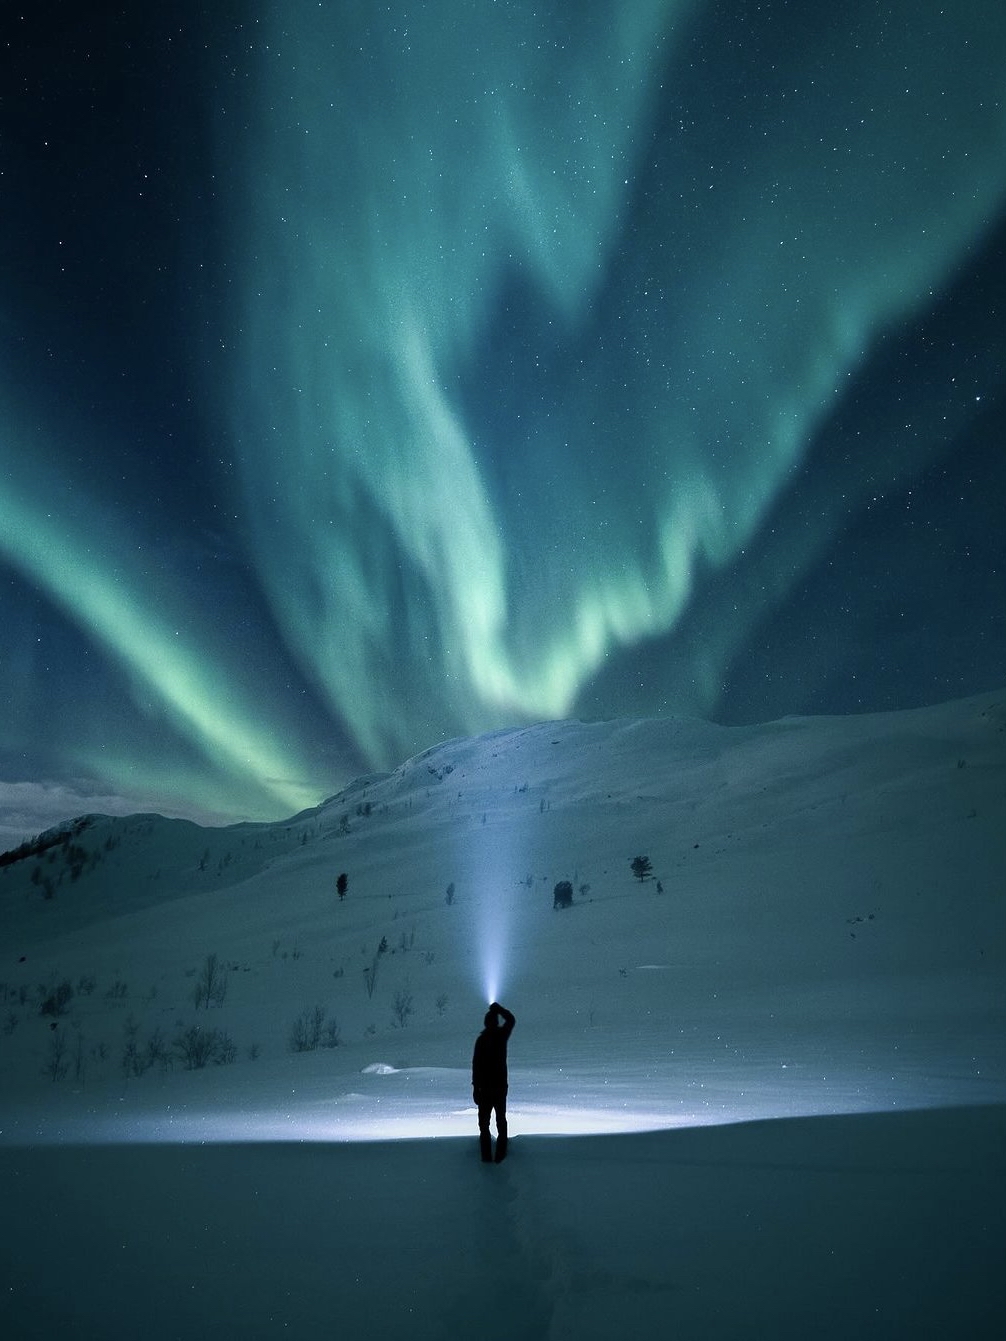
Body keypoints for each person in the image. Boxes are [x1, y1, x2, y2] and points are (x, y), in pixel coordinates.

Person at [472, 1000, 516, 1163]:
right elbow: (511, 1020)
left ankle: (486, 1157)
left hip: (485, 1089)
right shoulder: (501, 1036)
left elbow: (475, 1065)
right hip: (498, 1088)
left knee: (484, 1124)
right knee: (500, 1121)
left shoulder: (482, 1040)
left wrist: (476, 1088)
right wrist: (499, 1009)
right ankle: (500, 1156)